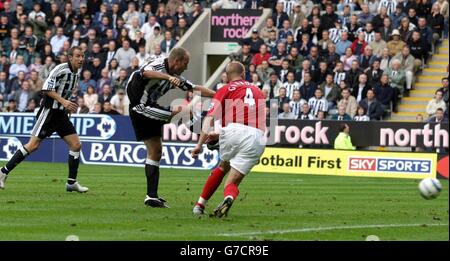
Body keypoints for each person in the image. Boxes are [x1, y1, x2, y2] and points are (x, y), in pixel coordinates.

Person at [125, 47, 215, 208]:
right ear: (176, 61)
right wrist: (167, 77)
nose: (186, 67)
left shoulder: (175, 76)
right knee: (183, 110)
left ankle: (151, 197)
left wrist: (219, 94)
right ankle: (209, 140)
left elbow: (195, 88)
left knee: (156, 151)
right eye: (185, 63)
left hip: (147, 107)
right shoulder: (160, 66)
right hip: (140, 106)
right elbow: (144, 72)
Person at [0, 47, 88, 192]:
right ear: (70, 57)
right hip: (49, 112)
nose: (81, 59)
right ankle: (3, 172)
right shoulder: (60, 69)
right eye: (78, 56)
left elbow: (64, 92)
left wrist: (67, 106)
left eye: (82, 56)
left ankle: (71, 183)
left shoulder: (76, 74)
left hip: (61, 115)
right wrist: (63, 101)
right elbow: (46, 88)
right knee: (33, 145)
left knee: (76, 145)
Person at [191, 61, 266, 218]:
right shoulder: (258, 91)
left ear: (226, 76)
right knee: (232, 182)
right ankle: (228, 197)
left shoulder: (225, 89)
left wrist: (199, 145)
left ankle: (200, 204)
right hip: (257, 137)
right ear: (243, 74)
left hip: (234, 131)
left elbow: (209, 118)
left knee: (223, 166)